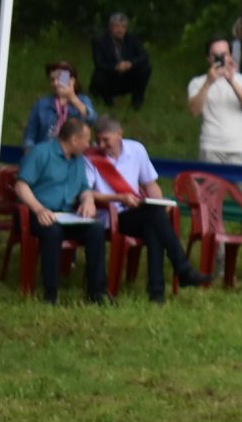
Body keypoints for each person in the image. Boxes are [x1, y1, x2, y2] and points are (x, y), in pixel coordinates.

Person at [85, 116, 211, 302]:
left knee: (154, 224)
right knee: (154, 218)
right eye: (99, 140)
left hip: (137, 212)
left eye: (106, 140)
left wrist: (160, 203)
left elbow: (150, 184)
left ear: (119, 134)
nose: (102, 145)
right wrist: (119, 197)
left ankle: (157, 293)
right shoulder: (91, 158)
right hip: (110, 215)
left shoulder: (136, 150)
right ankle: (183, 270)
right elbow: (87, 193)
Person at [12, 116, 108, 305]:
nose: (89, 144)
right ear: (74, 140)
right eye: (86, 140)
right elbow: (21, 186)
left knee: (96, 230)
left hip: (66, 215)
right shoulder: (41, 153)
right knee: (52, 232)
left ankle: (97, 293)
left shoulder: (79, 160)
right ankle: (51, 293)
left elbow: (84, 188)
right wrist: (39, 209)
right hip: (37, 212)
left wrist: (88, 201)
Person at [186, 36, 242, 165]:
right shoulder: (197, 83)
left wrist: (231, 81)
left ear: (230, 56)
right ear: (209, 58)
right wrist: (208, 82)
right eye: (215, 55)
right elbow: (194, 111)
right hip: (210, 148)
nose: (220, 59)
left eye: (223, 54)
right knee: (211, 186)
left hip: (239, 148)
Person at [20, 60, 98, 148]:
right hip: (46, 152)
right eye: (52, 80)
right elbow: (30, 135)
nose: (55, 83)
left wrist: (72, 98)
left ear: (72, 81)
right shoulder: (42, 104)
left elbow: (93, 121)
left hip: (73, 153)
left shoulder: (83, 100)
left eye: (60, 79)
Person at [89, 12, 153, 108]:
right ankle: (106, 99)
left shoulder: (132, 39)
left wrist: (130, 63)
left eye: (123, 27)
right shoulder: (100, 41)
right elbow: (99, 63)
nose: (120, 30)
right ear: (110, 27)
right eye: (117, 27)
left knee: (145, 68)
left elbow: (144, 56)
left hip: (126, 76)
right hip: (109, 76)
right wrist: (116, 67)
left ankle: (137, 102)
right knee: (100, 74)